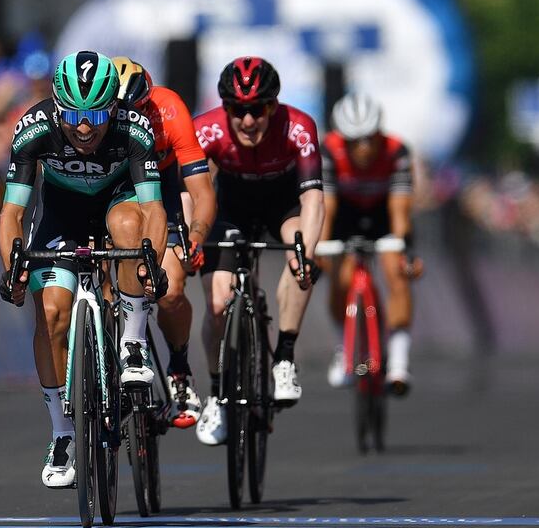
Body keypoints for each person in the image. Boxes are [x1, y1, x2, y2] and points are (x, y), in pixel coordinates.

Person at [0, 51, 167, 488]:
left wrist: (152, 262)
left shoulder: (134, 128)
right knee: (52, 315)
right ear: (57, 105)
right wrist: (13, 265)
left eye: (95, 113)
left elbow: (152, 208)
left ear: (114, 107)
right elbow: (12, 213)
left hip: (118, 202)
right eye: (73, 114)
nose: (84, 126)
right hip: (60, 218)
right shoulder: (34, 128)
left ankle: (131, 343)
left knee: (129, 228)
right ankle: (62, 434)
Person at [191, 56, 324, 445]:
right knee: (217, 304)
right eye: (237, 110)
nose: (248, 121)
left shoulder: (298, 127)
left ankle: (283, 356)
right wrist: (192, 239)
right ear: (224, 108)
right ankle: (217, 392)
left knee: (299, 248)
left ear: (274, 105)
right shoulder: (207, 129)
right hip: (230, 207)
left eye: (259, 109)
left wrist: (308, 254)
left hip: (284, 205)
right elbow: (193, 193)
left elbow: (313, 198)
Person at [112, 56, 216, 428]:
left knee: (169, 290)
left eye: (138, 110)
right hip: (112, 186)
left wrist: (196, 236)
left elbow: (201, 190)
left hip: (163, 187)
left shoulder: (169, 108)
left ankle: (180, 372)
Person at [319, 93, 423, 393]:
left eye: (369, 139)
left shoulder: (396, 151)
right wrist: (321, 248)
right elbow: (327, 208)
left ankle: (400, 362)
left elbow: (400, 211)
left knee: (397, 273)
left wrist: (404, 250)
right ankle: (345, 349)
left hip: (383, 215)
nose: (363, 148)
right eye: (354, 141)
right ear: (343, 139)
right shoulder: (328, 150)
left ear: (379, 133)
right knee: (338, 278)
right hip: (344, 216)